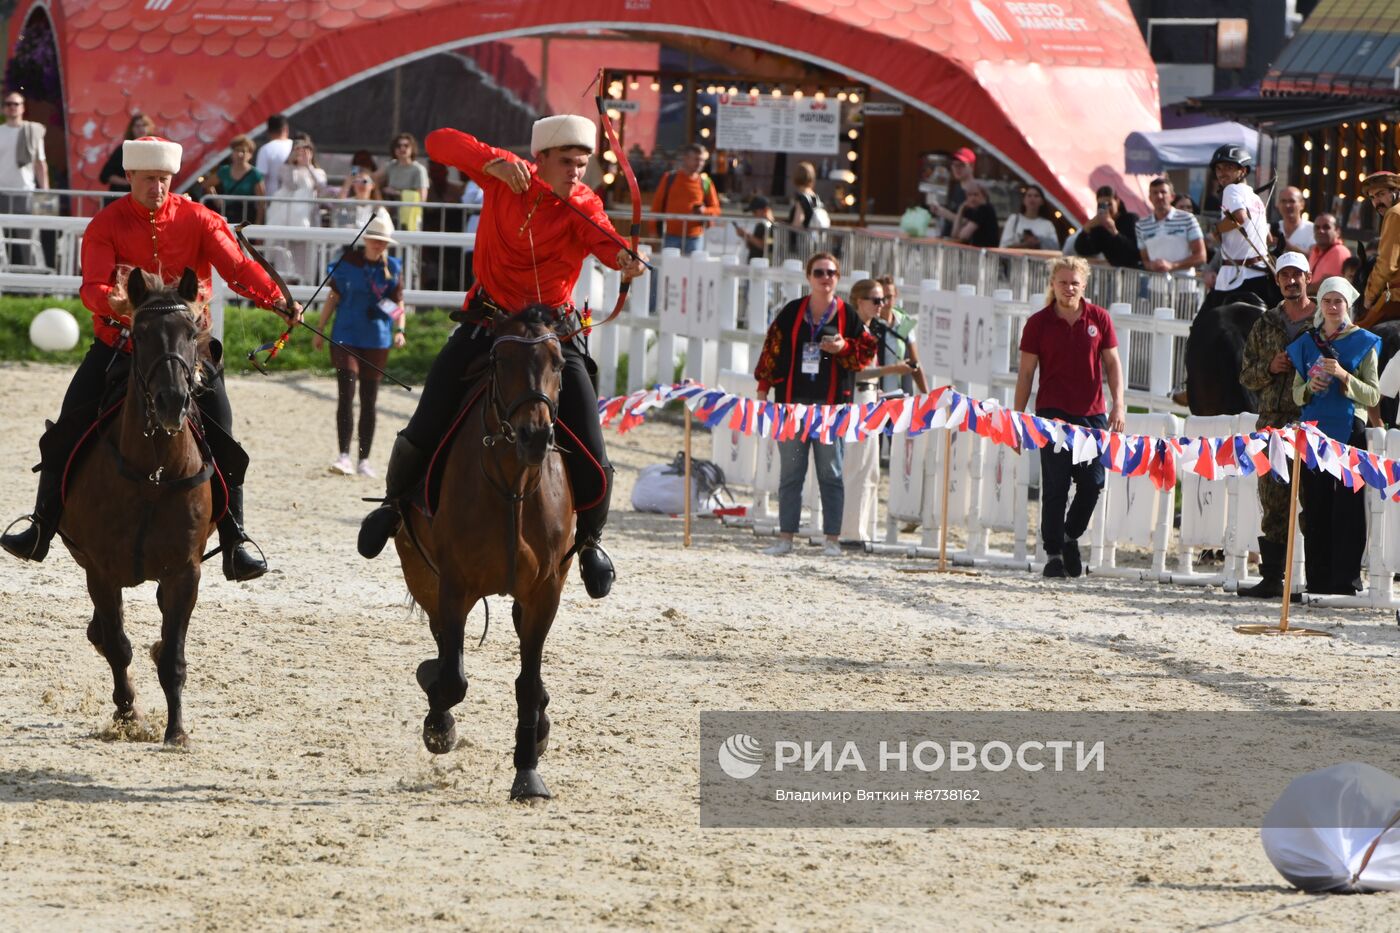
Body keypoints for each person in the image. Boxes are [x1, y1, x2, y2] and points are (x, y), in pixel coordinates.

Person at [357, 114, 647, 600]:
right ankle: (392, 505)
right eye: (568, 162)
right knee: (429, 418)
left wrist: (623, 257)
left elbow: (604, 239)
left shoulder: (584, 203)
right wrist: (489, 164)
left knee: (593, 447)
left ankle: (591, 541)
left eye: (582, 163)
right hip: (489, 323)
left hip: (550, 334)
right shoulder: (506, 175)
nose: (577, 171)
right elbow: (437, 138)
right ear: (542, 160)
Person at [0, 136, 302, 579]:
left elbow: (236, 267)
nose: (157, 188)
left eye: (163, 180)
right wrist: (121, 305)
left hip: (187, 351)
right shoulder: (106, 224)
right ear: (129, 178)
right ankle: (41, 525)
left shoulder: (200, 217)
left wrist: (276, 298)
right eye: (148, 180)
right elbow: (92, 288)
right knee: (67, 427)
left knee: (225, 437)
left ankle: (235, 537)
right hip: (119, 346)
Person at [753, 253, 876, 557]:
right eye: (819, 272)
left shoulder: (847, 314)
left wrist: (842, 346)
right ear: (809, 277)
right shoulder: (793, 311)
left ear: (838, 277)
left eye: (831, 273)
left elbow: (865, 353)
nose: (825, 278)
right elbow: (772, 347)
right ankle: (785, 538)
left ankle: (831, 540)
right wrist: (763, 388)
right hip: (792, 403)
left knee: (830, 472)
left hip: (830, 407)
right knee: (791, 473)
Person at [1013, 255, 1126, 579]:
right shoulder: (1038, 322)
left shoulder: (1099, 318)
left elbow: (1113, 364)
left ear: (1084, 284)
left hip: (1091, 413)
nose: (1069, 288)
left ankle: (1069, 535)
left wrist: (1118, 404)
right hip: (1052, 415)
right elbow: (1025, 373)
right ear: (1053, 284)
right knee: (1056, 486)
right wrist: (1019, 419)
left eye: (1075, 282)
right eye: (1063, 282)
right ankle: (1053, 554)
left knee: (1093, 483)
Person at [1286, 276, 1382, 595]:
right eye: (1326, 300)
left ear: (1347, 305)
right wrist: (1308, 389)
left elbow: (1372, 396)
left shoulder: (1364, 341)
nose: (1331, 306)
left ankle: (1345, 581)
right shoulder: (1307, 341)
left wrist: (1344, 376)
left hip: (1348, 431)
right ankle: (1317, 579)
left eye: (1338, 301)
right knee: (1314, 505)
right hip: (1313, 431)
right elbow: (1295, 393)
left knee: (1347, 507)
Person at [1237, 253, 1315, 598]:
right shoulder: (1264, 324)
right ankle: (1272, 578)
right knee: (1273, 500)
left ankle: (1316, 578)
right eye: (1284, 275)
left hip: (1312, 423)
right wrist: (1270, 367)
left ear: (1308, 277)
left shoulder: (1323, 320)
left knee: (1313, 502)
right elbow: (1246, 376)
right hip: (1272, 423)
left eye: (1296, 275)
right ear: (1277, 281)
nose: (1290, 281)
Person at [313, 208, 406, 477]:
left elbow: (398, 303)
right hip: (345, 334)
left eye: (383, 241)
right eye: (375, 239)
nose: (379, 245)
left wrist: (401, 329)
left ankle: (364, 459)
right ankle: (344, 456)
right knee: (347, 393)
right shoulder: (347, 263)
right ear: (365, 239)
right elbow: (333, 297)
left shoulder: (392, 269)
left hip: (377, 337)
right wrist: (320, 328)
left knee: (369, 399)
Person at [840, 278, 915, 545]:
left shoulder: (872, 330)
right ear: (859, 301)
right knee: (857, 467)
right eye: (875, 300)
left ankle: (861, 530)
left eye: (883, 300)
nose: (881, 305)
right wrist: (892, 371)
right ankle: (850, 532)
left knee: (870, 470)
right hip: (860, 398)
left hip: (872, 396)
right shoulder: (854, 330)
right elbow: (856, 371)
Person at [1202, 144, 1279, 314]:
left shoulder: (1231, 190)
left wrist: (1215, 230)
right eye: (1219, 168)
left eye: (1229, 167)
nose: (1222, 173)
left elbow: (1240, 218)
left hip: (1235, 278)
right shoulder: (1256, 199)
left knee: (1201, 330)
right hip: (1260, 278)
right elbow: (1269, 239)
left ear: (1243, 171)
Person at [652, 144, 720, 253]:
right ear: (685, 158)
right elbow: (657, 205)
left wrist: (704, 211)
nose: (700, 163)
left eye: (702, 160)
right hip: (670, 235)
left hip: (695, 237)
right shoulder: (669, 178)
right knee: (670, 268)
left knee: (693, 269)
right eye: (696, 159)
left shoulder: (706, 182)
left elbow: (716, 209)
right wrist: (653, 231)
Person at [1135, 177, 1206, 277]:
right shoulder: (1141, 225)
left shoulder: (1188, 219)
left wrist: (1172, 266)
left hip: (1184, 288)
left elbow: (1201, 257)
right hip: (1156, 288)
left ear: (1172, 196)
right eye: (1155, 193)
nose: (1159, 196)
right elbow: (1145, 260)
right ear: (1150, 198)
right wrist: (1152, 266)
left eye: (1163, 192)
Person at [1357, 171, 1400, 328]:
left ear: (1396, 191)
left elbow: (1386, 264)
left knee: (1357, 331)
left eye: (1381, 194)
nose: (1377, 202)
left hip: (1397, 297)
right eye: (1372, 197)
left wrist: (1369, 296)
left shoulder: (1394, 214)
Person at [872, 275, 925, 396]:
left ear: (896, 295)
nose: (885, 302)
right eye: (881, 298)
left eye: (889, 297)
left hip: (902, 397)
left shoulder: (904, 322)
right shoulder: (870, 323)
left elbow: (915, 363)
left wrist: (928, 396)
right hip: (877, 397)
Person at [202, 134, 265, 227]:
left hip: (247, 218)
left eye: (244, 151)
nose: (240, 154)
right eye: (237, 150)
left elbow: (261, 202)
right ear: (232, 153)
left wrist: (258, 224)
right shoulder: (224, 171)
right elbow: (207, 184)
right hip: (228, 215)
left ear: (250, 154)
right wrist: (216, 199)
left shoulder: (255, 174)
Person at [1074, 185, 1140, 268]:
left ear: (1117, 201)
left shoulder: (1130, 219)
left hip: (1135, 272)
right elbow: (1083, 250)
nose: (1107, 209)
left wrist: (1115, 232)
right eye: (1101, 205)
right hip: (1114, 273)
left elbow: (1135, 251)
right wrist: (1086, 229)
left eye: (1109, 204)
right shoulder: (1100, 227)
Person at [377, 133, 429, 233]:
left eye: (406, 145)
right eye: (398, 146)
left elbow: (422, 198)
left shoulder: (419, 169)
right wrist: (355, 171)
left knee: (409, 246)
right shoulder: (391, 165)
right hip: (391, 215)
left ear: (412, 148)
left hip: (410, 217)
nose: (402, 148)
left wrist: (397, 193)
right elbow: (372, 178)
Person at [99, 113, 154, 192]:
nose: (141, 128)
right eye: (137, 126)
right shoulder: (123, 149)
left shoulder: (155, 149)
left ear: (150, 127)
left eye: (144, 125)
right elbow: (105, 175)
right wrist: (129, 183)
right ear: (131, 129)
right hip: (122, 195)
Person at [785, 160, 828, 251]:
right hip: (815, 242)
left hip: (801, 244)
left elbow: (798, 221)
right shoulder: (816, 198)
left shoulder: (801, 198)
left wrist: (788, 228)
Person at [1000, 185, 1060, 250]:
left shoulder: (1047, 224)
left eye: (1036, 196)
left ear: (1042, 202)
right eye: (1029, 195)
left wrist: (1039, 242)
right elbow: (1003, 246)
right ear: (1024, 200)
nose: (1032, 199)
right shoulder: (1014, 219)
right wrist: (1025, 244)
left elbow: (1055, 248)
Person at [945, 182, 999, 248]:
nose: (972, 198)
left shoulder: (984, 209)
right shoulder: (973, 210)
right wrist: (960, 210)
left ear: (984, 196)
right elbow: (954, 235)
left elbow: (963, 236)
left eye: (976, 195)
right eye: (969, 195)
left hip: (986, 253)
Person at [1306, 213, 1350, 291]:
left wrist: (1302, 291)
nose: (1321, 231)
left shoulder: (1339, 251)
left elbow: (1327, 286)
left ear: (1337, 231)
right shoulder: (1315, 250)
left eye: (1326, 227)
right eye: (1317, 227)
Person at [256, 114, 293, 196]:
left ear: (268, 131)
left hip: (273, 198)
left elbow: (260, 178)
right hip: (295, 199)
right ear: (286, 129)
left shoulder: (265, 149)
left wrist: (261, 203)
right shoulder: (296, 147)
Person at [1273, 186, 1315, 255]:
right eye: (1283, 201)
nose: (1287, 205)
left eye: (1292, 201)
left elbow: (1315, 259)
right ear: (1278, 204)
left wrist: (1290, 247)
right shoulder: (1270, 228)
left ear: (1302, 204)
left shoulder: (1313, 229)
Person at [735, 195, 773, 263]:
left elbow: (765, 246)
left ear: (765, 210)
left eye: (754, 212)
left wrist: (746, 234)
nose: (753, 215)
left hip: (761, 266)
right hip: (754, 264)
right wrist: (744, 236)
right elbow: (752, 247)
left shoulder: (771, 227)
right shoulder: (760, 225)